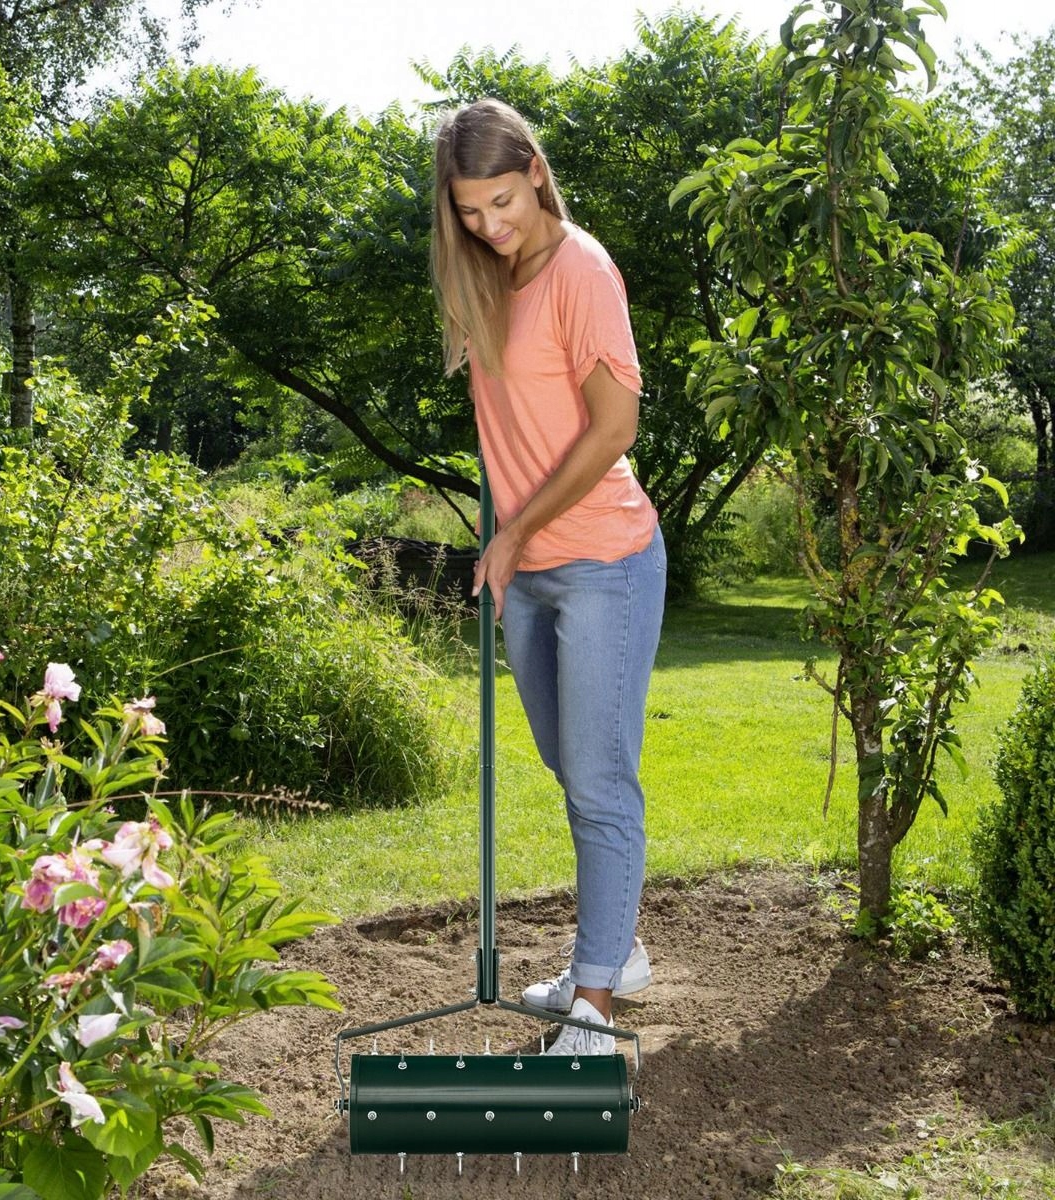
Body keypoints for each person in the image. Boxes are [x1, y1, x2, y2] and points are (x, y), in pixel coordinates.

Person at [431, 98, 667, 1055]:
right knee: (573, 771)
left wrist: (517, 529)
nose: (490, 224)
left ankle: (596, 1007)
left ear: (533, 167)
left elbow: (615, 431)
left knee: (602, 785)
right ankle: (619, 949)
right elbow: (507, 437)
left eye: (501, 201)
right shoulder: (491, 278)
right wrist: (511, 536)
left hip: (603, 562)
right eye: (469, 212)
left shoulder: (583, 269)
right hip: (526, 570)